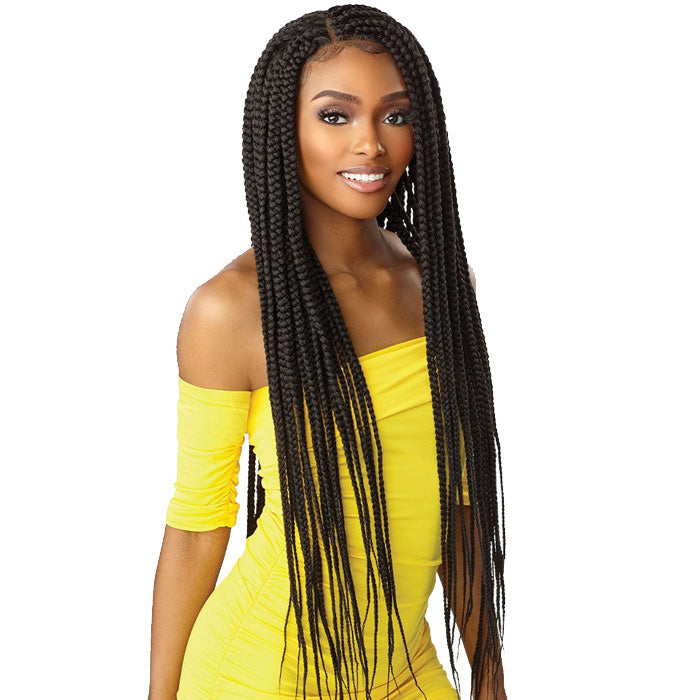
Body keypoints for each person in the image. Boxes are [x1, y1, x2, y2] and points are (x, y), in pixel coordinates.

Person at [149, 5, 507, 699]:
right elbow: (197, 526)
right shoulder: (231, 310)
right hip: (259, 673)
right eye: (336, 116)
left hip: (403, 669)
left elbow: (460, 510)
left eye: (395, 115)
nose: (371, 143)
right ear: (284, 130)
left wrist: (489, 678)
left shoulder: (441, 287)